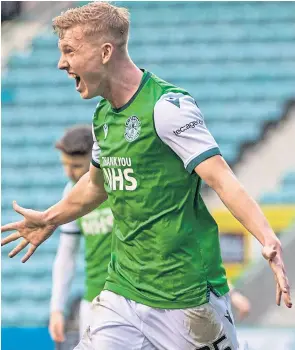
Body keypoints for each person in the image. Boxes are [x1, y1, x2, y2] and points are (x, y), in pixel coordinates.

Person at [1, 2, 292, 350]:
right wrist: (51, 218)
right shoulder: (103, 116)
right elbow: (97, 184)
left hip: (186, 297)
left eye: (69, 51)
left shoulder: (166, 108)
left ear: (105, 52)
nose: (61, 63)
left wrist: (267, 238)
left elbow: (221, 178)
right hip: (122, 291)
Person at [48, 125, 113, 344]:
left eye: (76, 165)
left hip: (129, 296)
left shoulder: (118, 186)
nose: (69, 172)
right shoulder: (71, 193)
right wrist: (56, 308)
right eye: (65, 165)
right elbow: (66, 254)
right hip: (92, 300)